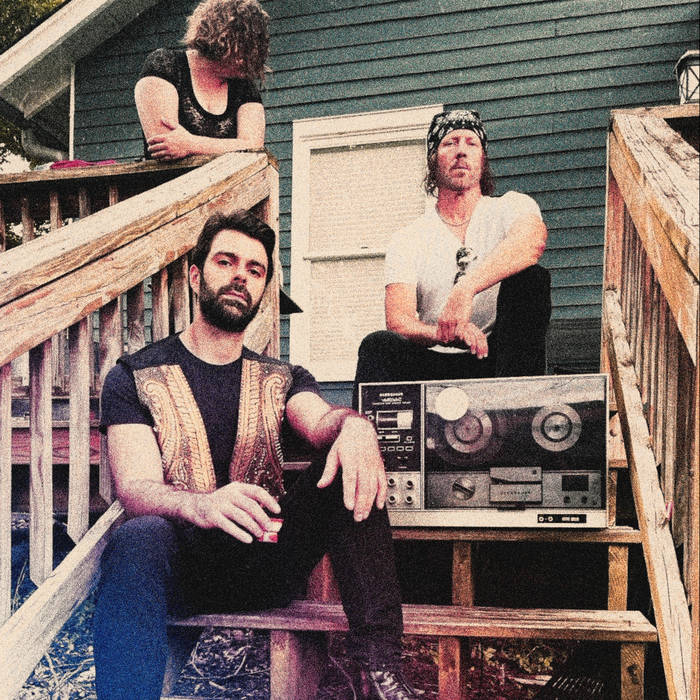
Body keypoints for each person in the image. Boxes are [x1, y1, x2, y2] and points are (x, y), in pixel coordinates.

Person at [93, 210, 423, 700]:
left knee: (348, 459)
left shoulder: (282, 377)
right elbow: (136, 489)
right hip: (183, 567)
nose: (240, 277)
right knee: (137, 537)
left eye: (255, 269)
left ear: (264, 288)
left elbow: (318, 420)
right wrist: (203, 505)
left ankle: (382, 668)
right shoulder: (135, 375)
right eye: (225, 262)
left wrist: (353, 426)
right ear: (195, 276)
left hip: (267, 561)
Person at [353, 109, 551, 408]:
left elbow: (531, 243)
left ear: (483, 159)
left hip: (497, 361)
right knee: (377, 345)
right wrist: (444, 334)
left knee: (531, 279)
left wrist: (465, 290)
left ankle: (518, 411)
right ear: (433, 159)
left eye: (471, 143)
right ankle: (360, 434)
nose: (461, 151)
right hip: (433, 362)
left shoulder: (509, 207)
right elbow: (399, 320)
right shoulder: (409, 237)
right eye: (450, 143)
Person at [134, 0, 268, 160]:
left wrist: (191, 144)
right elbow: (164, 145)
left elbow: (254, 148)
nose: (244, 61)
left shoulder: (243, 85)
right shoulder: (165, 65)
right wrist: (233, 146)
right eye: (242, 50)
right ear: (220, 39)